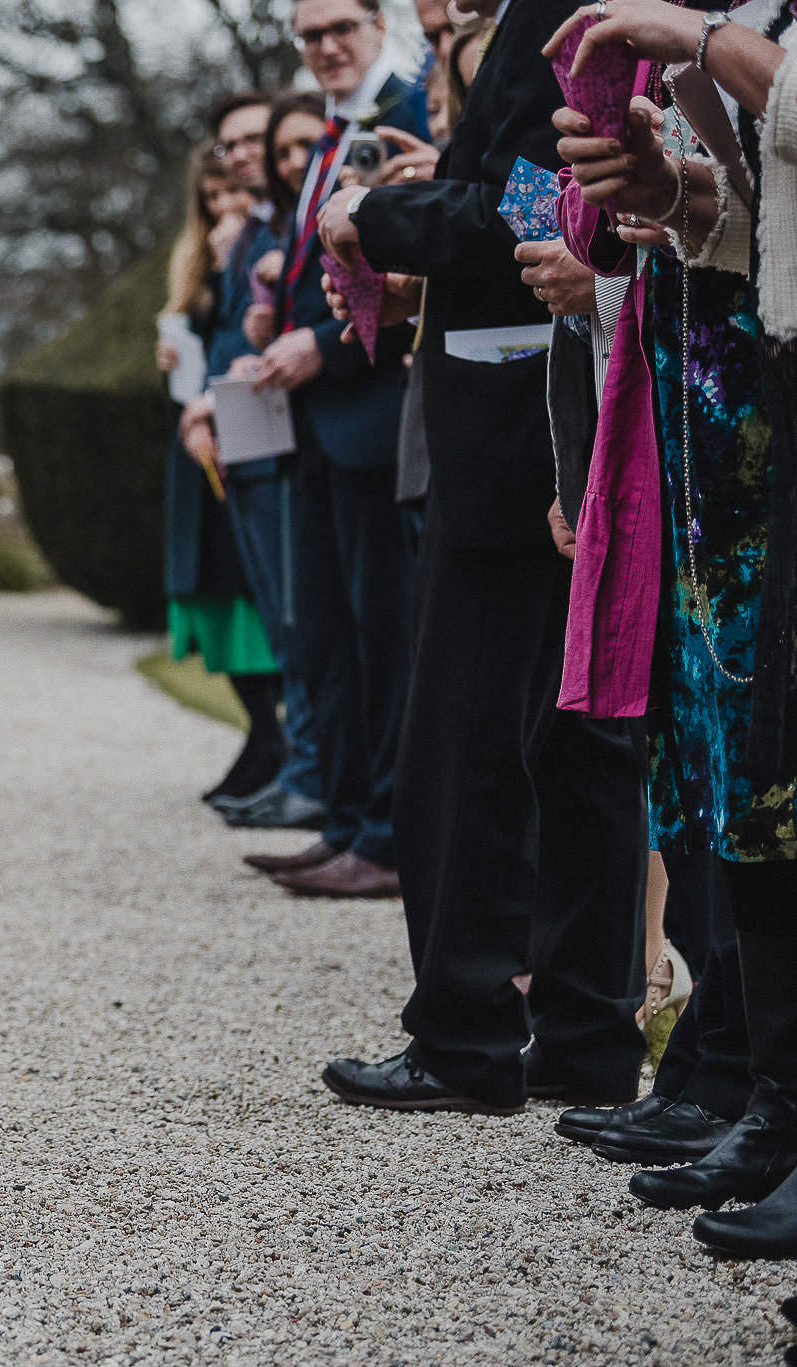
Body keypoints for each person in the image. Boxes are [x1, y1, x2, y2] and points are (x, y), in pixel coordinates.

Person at [312, 0, 646, 1113]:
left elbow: (523, 202)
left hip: (513, 428)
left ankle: (461, 1033)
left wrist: (374, 214)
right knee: (574, 745)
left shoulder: (555, 17)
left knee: (463, 742)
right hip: (534, 405)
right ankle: (585, 1033)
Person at [544, 0, 797, 1257]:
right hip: (742, 381)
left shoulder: (721, 22)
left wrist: (690, 42)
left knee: (756, 747)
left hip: (745, 387)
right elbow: (754, 214)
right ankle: (745, 1075)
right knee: (730, 757)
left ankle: (742, 1069)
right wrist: (675, 180)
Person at [239, 0, 429, 899]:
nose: (325, 47)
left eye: (339, 28)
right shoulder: (322, 136)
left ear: (379, 23)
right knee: (330, 635)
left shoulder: (415, 113)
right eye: (309, 35)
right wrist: (274, 313)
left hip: (376, 405)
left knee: (383, 632)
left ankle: (390, 835)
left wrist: (322, 339)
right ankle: (347, 819)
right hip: (314, 423)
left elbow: (413, 256)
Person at [185, 91, 331, 833]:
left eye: (254, 142)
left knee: (300, 618)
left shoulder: (286, 227)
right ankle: (300, 768)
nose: (241, 155)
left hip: (282, 435)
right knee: (283, 617)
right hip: (242, 435)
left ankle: (310, 772)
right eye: (231, 146)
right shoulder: (244, 233)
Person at [157, 145, 286, 810]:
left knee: (248, 588)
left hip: (247, 431)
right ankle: (264, 737)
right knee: (208, 586)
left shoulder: (262, 252)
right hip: (201, 436)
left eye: (233, 193)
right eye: (212, 196)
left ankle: (272, 739)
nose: (224, 208)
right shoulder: (195, 267)